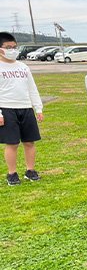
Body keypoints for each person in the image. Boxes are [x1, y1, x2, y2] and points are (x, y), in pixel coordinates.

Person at [0, 32, 43, 185]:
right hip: (7, 108)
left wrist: (38, 108)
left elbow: (32, 88)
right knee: (12, 143)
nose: (12, 50)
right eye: (8, 47)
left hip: (25, 107)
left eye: (14, 47)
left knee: (29, 141)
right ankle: (12, 173)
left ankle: (30, 170)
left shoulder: (23, 67)